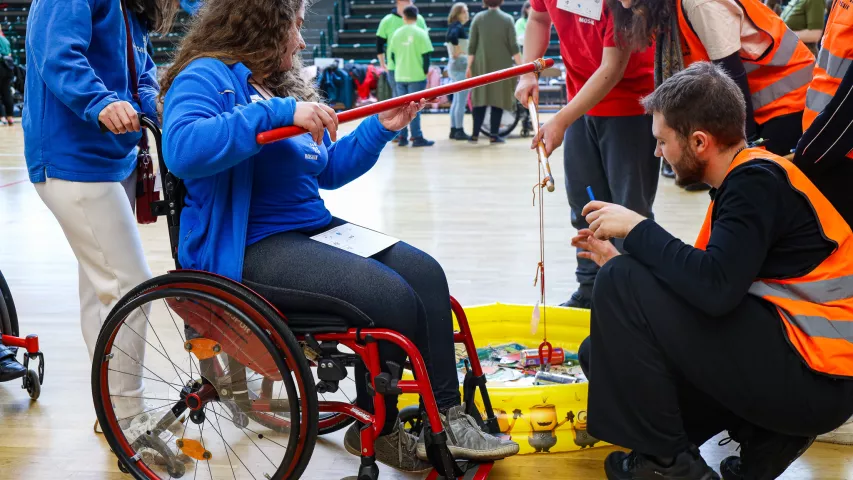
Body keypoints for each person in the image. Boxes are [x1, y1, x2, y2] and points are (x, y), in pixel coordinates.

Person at [159, 0, 519, 471]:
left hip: (312, 230)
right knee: (389, 295)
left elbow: (326, 169)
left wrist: (379, 128)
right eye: (293, 27)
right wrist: (279, 113)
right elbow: (182, 149)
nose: (300, 41)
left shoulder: (276, 87)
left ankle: (450, 417)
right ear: (262, 25)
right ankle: (381, 428)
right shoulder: (205, 76)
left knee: (426, 274)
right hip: (248, 246)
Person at [573, 62, 853, 480]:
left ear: (699, 141)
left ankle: (669, 464)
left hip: (817, 378)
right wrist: (623, 265)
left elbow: (715, 291)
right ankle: (763, 435)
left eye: (662, 141)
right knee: (599, 350)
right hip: (807, 371)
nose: (657, 153)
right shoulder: (749, 178)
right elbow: (704, 281)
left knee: (620, 282)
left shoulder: (754, 183)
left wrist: (637, 230)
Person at [24, 0, 174, 433]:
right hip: (73, 158)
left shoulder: (131, 7)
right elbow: (57, 53)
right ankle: (126, 417)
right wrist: (101, 101)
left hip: (113, 157)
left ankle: (109, 405)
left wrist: (152, 101)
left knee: (100, 290)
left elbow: (140, 68)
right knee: (131, 289)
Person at [515, 0, 658, 308]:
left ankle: (633, 295)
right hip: (580, 100)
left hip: (630, 104)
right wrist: (528, 71)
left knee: (629, 207)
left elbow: (612, 68)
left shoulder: (620, 4)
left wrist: (561, 120)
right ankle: (591, 289)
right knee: (584, 203)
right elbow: (538, 19)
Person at [608, 0, 816, 158]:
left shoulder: (699, 3)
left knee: (760, 185)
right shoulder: (666, 10)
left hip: (787, 101)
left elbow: (732, 75)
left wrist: (743, 148)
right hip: (754, 105)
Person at [793, 0, 853, 444]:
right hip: (829, 154)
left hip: (839, 160)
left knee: (840, 285)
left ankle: (842, 402)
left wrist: (807, 159)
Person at [467, 0, 521, 144]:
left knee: (480, 99)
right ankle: (494, 135)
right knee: (498, 99)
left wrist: (469, 66)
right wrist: (521, 67)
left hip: (481, 66)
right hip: (502, 67)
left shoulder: (478, 18)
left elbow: (472, 45)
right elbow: (514, 46)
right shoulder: (507, 19)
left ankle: (474, 134)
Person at [376, 0, 428, 143]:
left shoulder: (419, 19)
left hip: (414, 69)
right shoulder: (387, 20)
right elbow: (379, 43)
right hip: (395, 70)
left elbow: (424, 43)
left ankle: (414, 135)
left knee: (414, 104)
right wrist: (383, 64)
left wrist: (424, 68)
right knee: (399, 104)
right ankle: (401, 135)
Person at [388, 6, 435, 147]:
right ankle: (416, 137)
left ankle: (402, 137)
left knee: (401, 109)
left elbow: (392, 55)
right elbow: (426, 56)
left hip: (400, 75)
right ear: (417, 16)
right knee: (415, 109)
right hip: (416, 76)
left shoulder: (396, 33)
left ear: (404, 17)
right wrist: (425, 71)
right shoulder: (421, 33)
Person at [446, 2, 471, 141]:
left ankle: (454, 129)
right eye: (464, 11)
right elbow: (452, 37)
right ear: (457, 13)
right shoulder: (457, 26)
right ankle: (459, 130)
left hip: (454, 65)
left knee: (456, 100)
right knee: (461, 101)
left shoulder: (453, 25)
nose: (467, 14)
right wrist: (457, 49)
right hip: (460, 64)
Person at [0, 26, 15, 125]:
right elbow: (9, 54)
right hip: (8, 68)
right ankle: (10, 117)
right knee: (6, 93)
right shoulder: (5, 40)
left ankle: (2, 117)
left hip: (0, 67)